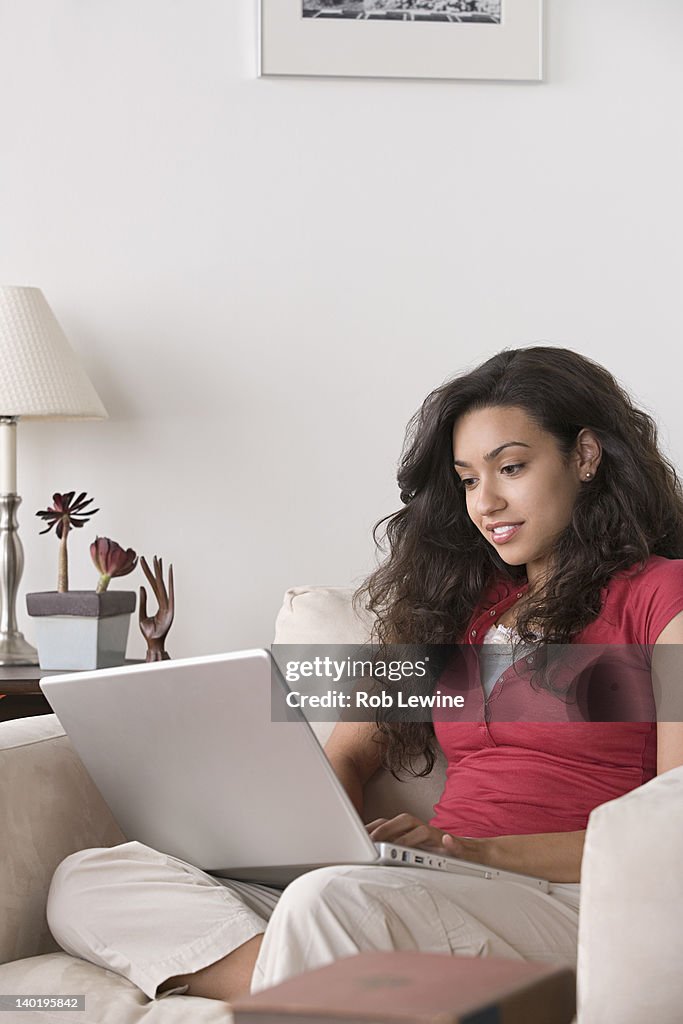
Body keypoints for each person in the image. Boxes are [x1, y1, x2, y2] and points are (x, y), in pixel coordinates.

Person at [47, 346, 683, 1005]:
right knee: (93, 879)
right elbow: (347, 756)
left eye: (510, 468)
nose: (485, 501)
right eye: (466, 480)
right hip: (417, 889)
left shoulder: (660, 597)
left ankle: (347, 979)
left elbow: (666, 835)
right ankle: (363, 987)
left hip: (562, 901)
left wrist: (469, 852)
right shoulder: (460, 611)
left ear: (584, 456)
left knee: (332, 902)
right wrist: (310, 842)